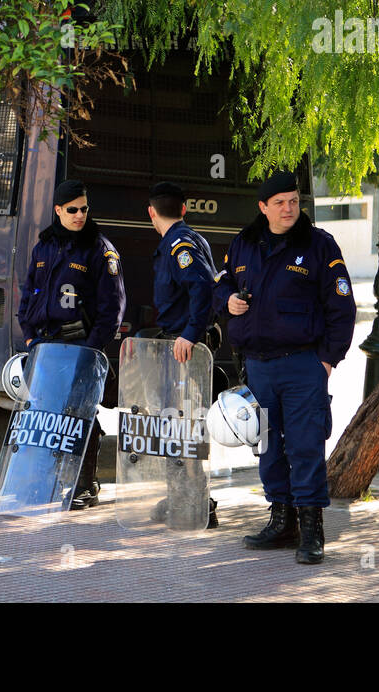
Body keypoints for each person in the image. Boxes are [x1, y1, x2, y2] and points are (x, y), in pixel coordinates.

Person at [212, 171, 355, 564]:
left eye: (293, 200)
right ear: (263, 207)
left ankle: (311, 529)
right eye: (280, 203)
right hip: (257, 366)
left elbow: (342, 308)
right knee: (269, 447)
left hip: (303, 365)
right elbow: (220, 284)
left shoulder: (319, 245)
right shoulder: (243, 244)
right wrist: (227, 302)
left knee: (306, 446)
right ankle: (282, 520)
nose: (289, 208)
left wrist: (327, 360)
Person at [17, 178, 126, 509]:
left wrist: (91, 350)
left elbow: (113, 309)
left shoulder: (99, 249)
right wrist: (30, 335)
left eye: (84, 209)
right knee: (47, 414)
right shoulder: (45, 246)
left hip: (80, 344)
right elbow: (29, 293)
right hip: (46, 347)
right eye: (73, 210)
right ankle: (44, 482)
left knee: (80, 414)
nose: (80, 215)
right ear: (58, 211)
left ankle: (84, 484)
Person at [145, 181, 221, 528]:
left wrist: (190, 334)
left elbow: (202, 285)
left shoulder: (179, 244)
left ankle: (198, 501)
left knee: (186, 425)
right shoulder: (187, 239)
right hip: (175, 345)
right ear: (184, 209)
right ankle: (180, 495)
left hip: (182, 348)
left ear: (151, 212)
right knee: (175, 423)